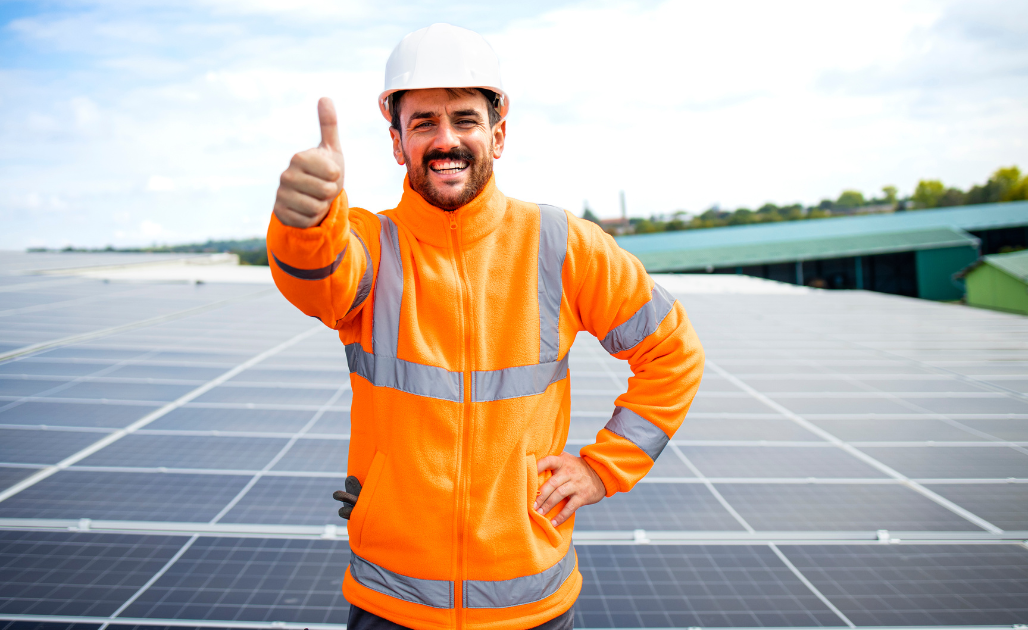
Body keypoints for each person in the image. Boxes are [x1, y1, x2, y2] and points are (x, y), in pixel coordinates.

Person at [268, 23, 703, 630]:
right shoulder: (372, 243)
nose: (446, 140)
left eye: (465, 120)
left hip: (531, 606)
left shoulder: (562, 244)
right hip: (393, 605)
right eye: (423, 123)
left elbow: (672, 353)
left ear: (498, 136)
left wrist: (604, 467)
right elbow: (317, 279)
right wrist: (305, 221)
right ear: (397, 142)